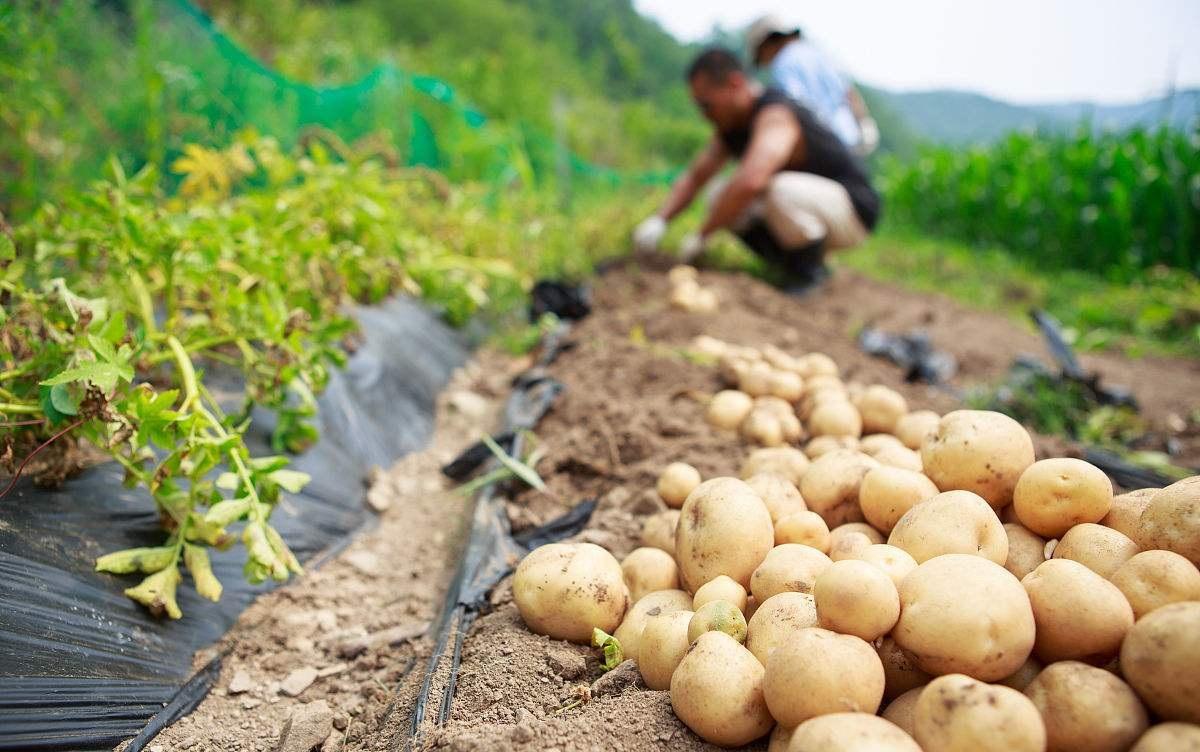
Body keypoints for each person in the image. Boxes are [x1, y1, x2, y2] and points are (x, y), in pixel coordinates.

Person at [632, 48, 880, 295]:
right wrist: (659, 220)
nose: (704, 114)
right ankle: (787, 266)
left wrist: (701, 235)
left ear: (734, 83)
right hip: (813, 209)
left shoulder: (775, 114)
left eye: (707, 105)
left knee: (778, 189)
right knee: (718, 194)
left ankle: (810, 273)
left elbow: (752, 180)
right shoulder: (732, 129)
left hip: (852, 211)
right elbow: (696, 176)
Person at [746, 15, 879, 156]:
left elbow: (798, 107)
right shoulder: (818, 53)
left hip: (823, 144)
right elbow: (849, 93)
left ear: (767, 43)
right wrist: (864, 123)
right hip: (849, 140)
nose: (765, 63)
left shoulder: (783, 64)